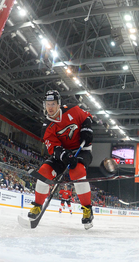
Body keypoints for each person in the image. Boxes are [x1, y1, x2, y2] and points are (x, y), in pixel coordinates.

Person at [27, 90, 95, 229]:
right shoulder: (47, 127)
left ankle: (88, 210)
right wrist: (65, 156)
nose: (50, 107)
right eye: (47, 104)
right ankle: (37, 206)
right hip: (62, 154)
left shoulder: (73, 110)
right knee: (43, 172)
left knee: (77, 171)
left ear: (59, 104)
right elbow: (54, 148)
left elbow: (87, 118)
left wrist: (87, 130)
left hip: (82, 150)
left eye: (53, 104)